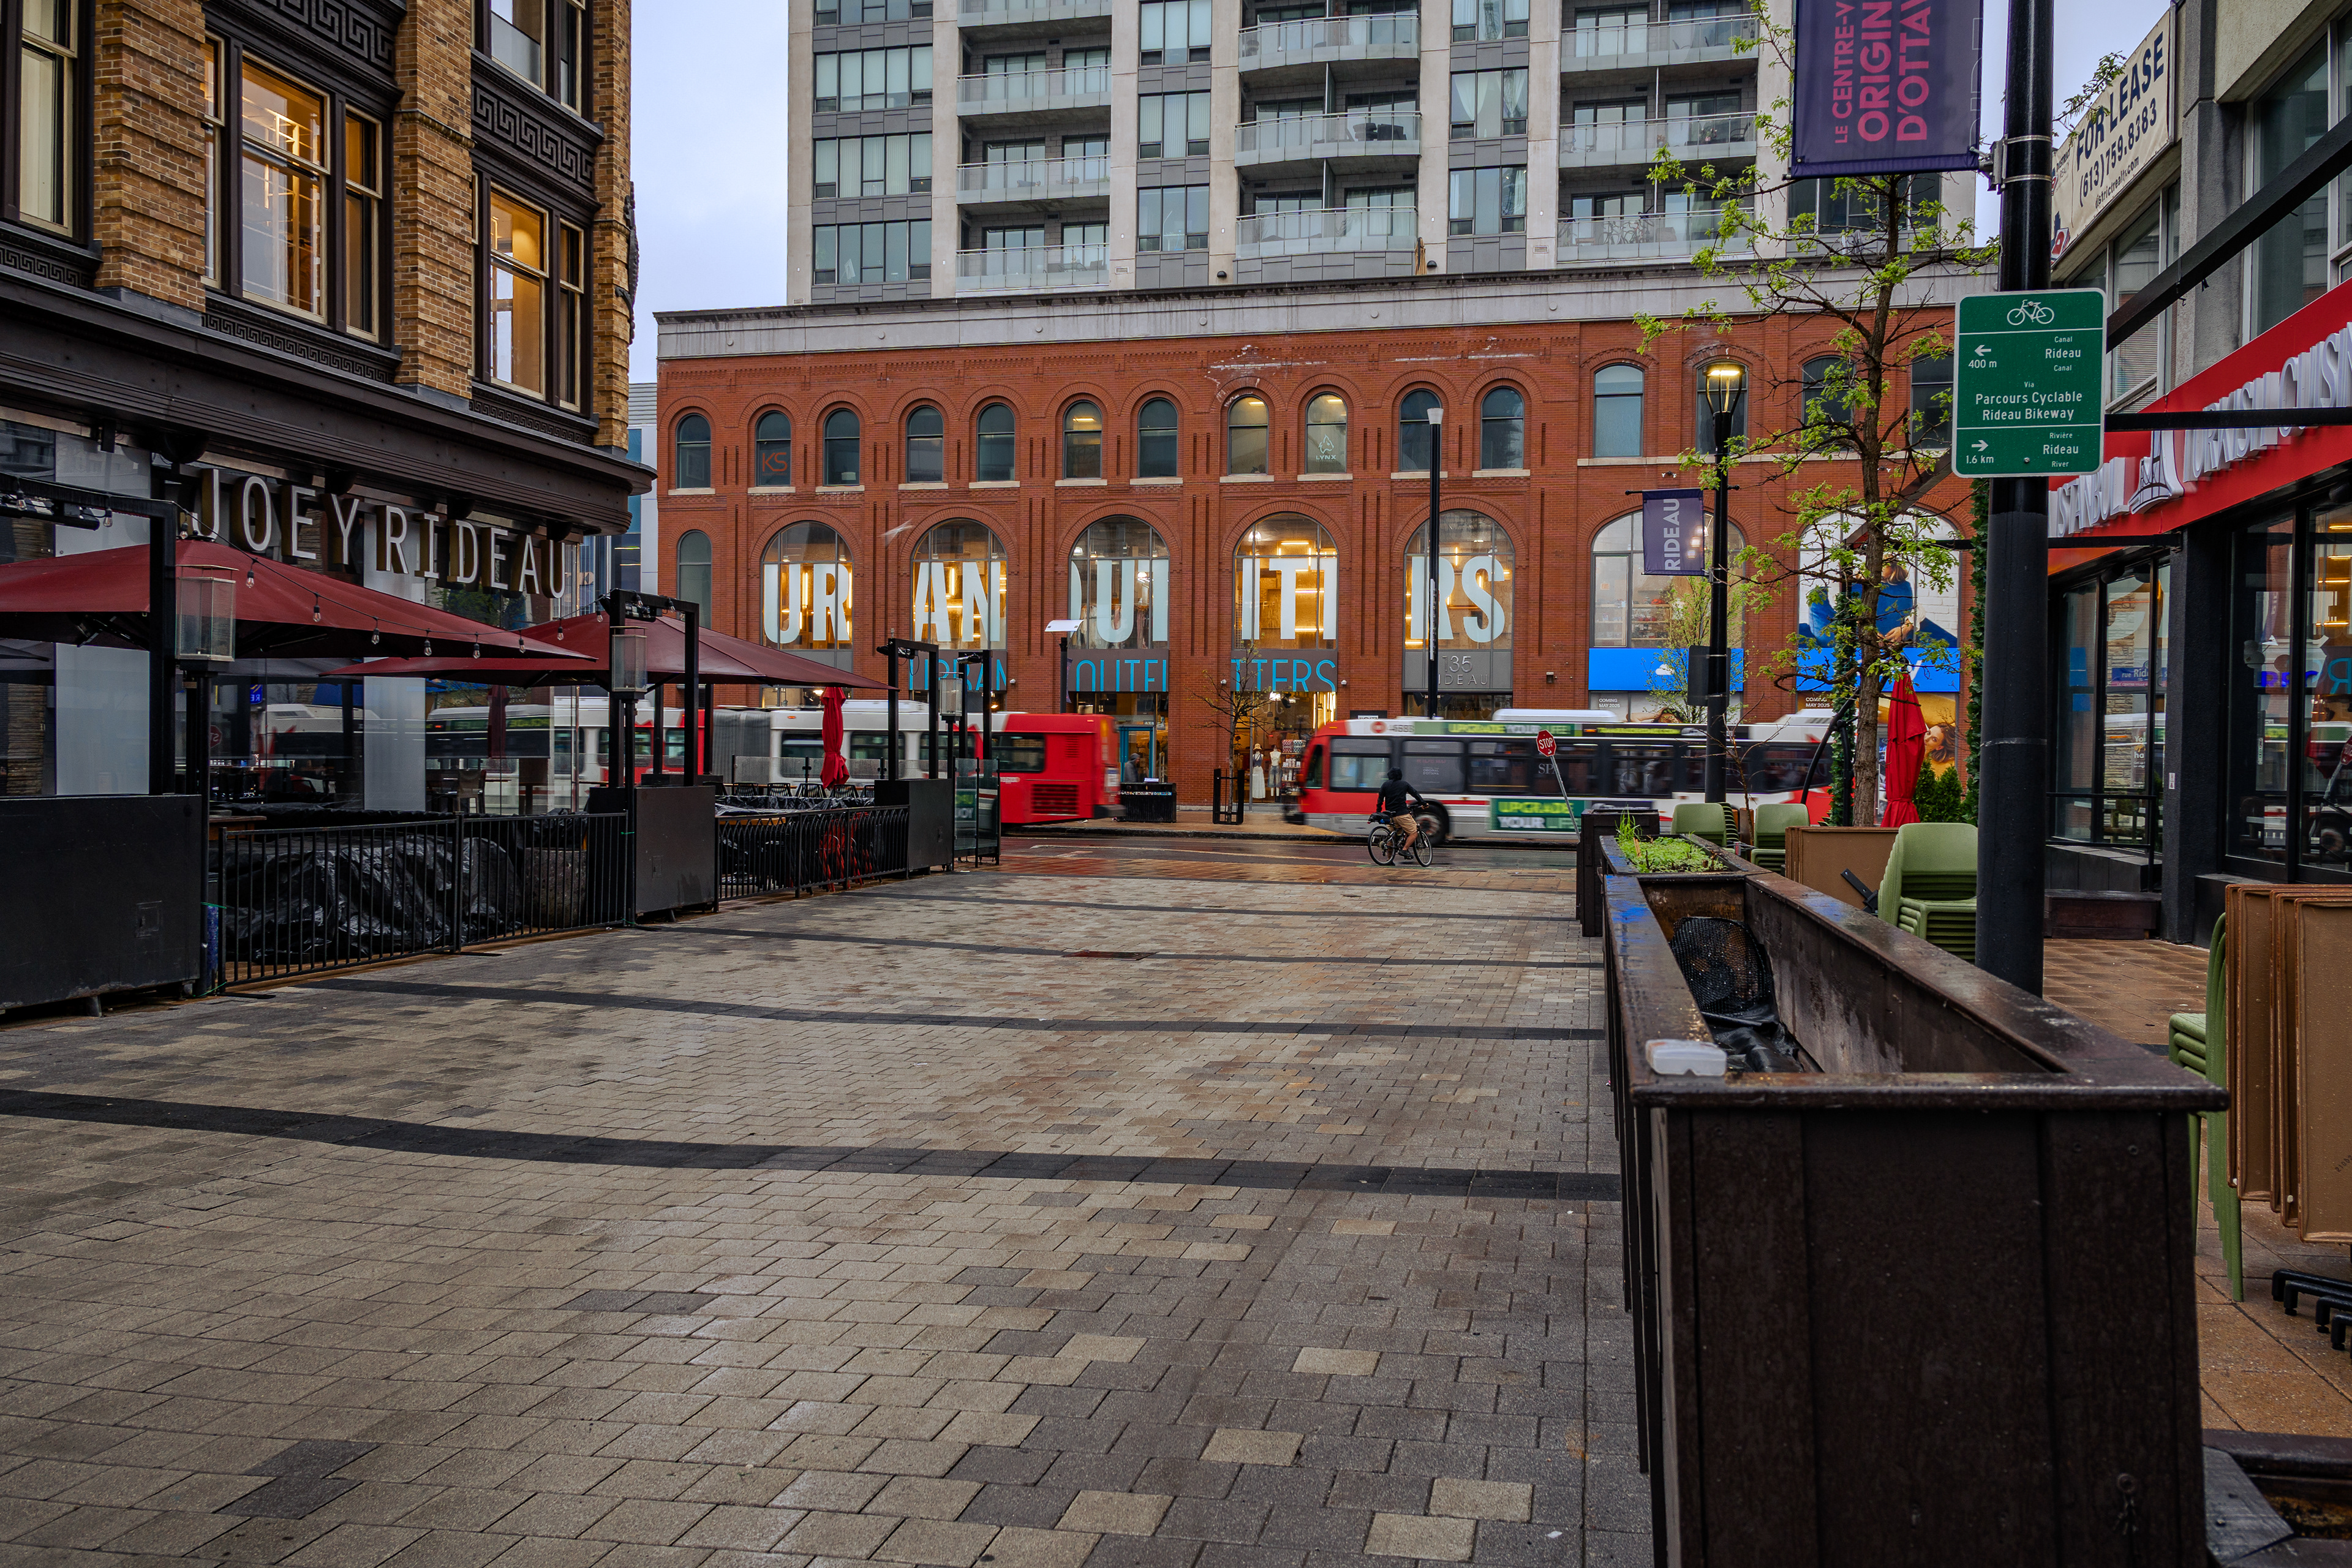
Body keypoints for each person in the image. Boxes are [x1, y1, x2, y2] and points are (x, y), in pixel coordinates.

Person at [1373, 767, 1431, 851]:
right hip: (1402, 814)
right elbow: (1415, 794)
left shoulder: (1385, 785)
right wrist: (1424, 803)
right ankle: (1404, 850)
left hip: (1390, 816)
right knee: (1414, 833)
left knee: (1392, 837)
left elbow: (1380, 800)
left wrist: (1378, 812)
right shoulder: (1404, 784)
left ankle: (1389, 860)